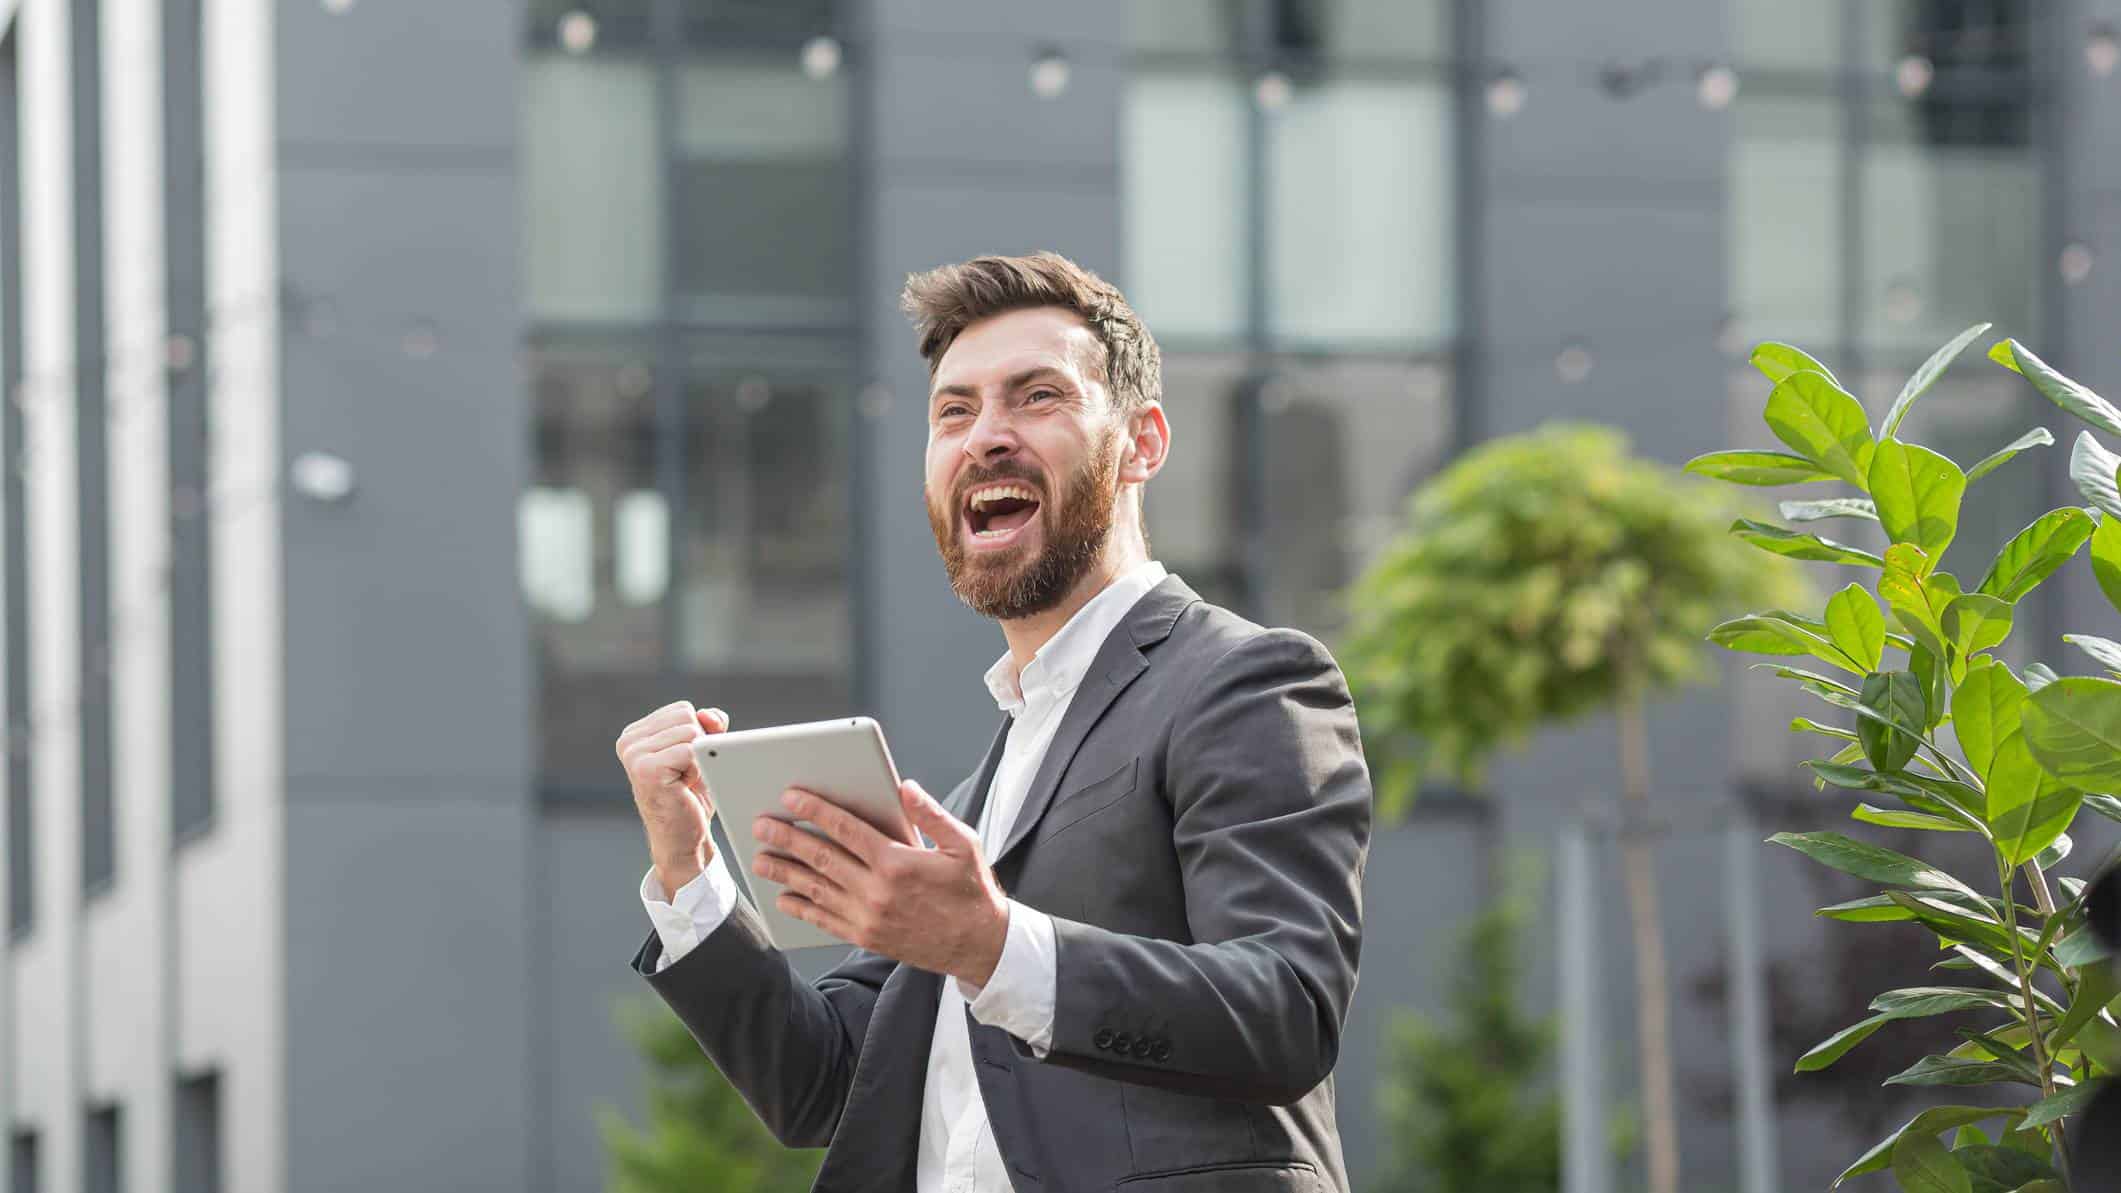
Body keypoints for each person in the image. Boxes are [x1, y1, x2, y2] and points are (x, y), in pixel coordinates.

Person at [615, 251, 1372, 1193]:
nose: (985, 438)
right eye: (954, 410)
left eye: (1036, 397)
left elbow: (1286, 1009)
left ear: (1141, 442)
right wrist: (689, 872)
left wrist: (993, 944)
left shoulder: (1246, 681)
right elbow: (822, 1086)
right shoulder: (984, 794)